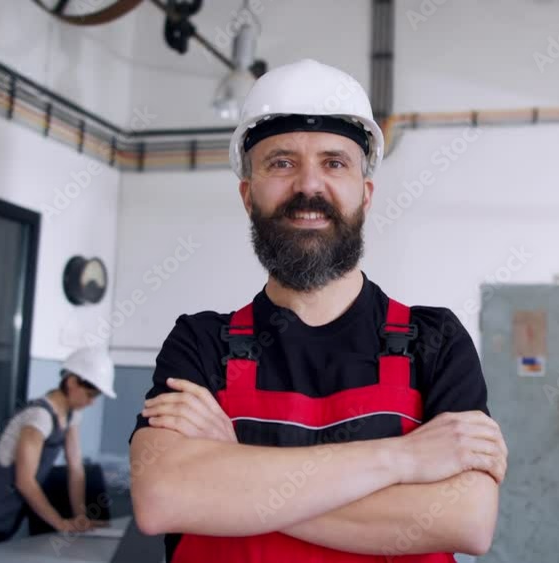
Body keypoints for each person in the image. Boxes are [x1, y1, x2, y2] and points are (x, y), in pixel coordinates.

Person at [129, 58, 507, 562]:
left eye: (334, 163)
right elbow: (163, 498)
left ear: (365, 195)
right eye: (281, 163)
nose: (309, 186)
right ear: (247, 195)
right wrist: (403, 458)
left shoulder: (434, 340)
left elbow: (467, 521)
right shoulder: (200, 343)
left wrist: (235, 474)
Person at [0, 346, 116, 552]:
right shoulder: (39, 418)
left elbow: (76, 468)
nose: (91, 402)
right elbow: (25, 482)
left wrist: (80, 517)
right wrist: (60, 523)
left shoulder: (72, 415)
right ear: (71, 382)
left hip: (6, 512)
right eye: (89, 394)